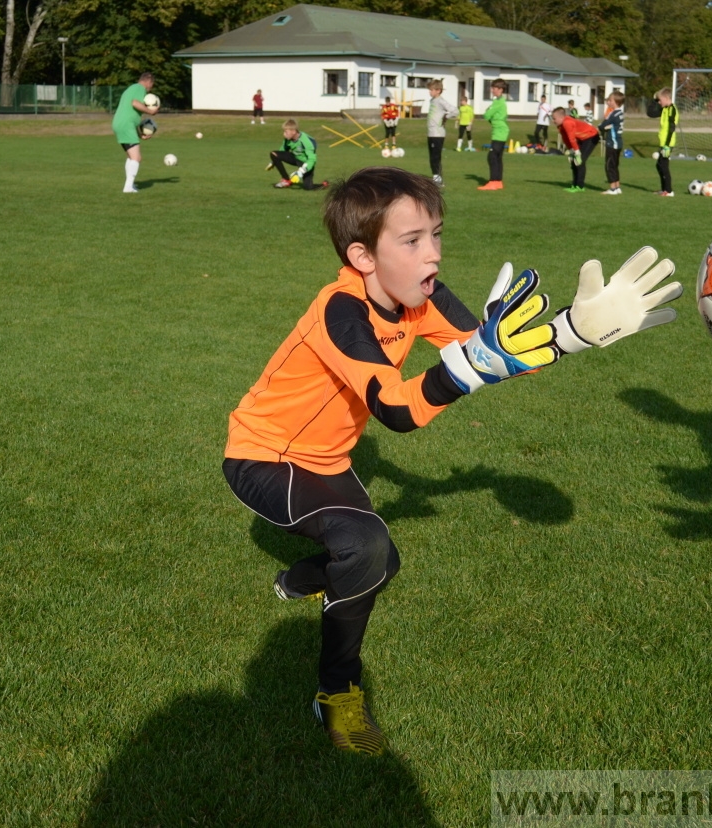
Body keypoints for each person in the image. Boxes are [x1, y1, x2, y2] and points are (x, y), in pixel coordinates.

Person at [222, 165, 682, 756]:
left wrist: (572, 330)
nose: (434, 254)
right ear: (363, 257)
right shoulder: (342, 311)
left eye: (436, 235)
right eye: (412, 241)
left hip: (327, 460)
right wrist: (471, 365)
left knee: (379, 562)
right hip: (264, 454)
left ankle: (295, 581)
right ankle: (337, 692)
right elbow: (395, 408)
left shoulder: (422, 298)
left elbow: (499, 354)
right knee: (365, 547)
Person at [111, 71, 159, 194]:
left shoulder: (131, 88)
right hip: (126, 125)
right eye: (152, 84)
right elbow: (135, 103)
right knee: (136, 158)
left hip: (121, 124)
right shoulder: (139, 88)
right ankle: (128, 187)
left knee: (131, 157)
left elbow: (130, 113)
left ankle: (130, 184)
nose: (151, 87)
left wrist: (139, 134)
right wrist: (150, 111)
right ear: (148, 81)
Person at [552, 106, 600, 193]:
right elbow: (565, 139)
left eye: (554, 118)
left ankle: (580, 186)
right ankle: (574, 184)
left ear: (561, 117)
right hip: (582, 139)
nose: (553, 121)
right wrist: (571, 151)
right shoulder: (560, 125)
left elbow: (572, 138)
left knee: (580, 161)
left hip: (592, 136)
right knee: (574, 161)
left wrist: (577, 152)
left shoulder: (567, 123)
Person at [270, 119, 326, 190]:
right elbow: (282, 151)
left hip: (305, 163)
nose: (284, 134)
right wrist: (274, 161)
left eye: (286, 132)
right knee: (274, 154)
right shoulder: (287, 139)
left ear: (293, 131)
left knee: (308, 187)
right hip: (295, 158)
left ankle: (324, 185)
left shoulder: (305, 141)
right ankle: (286, 180)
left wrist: (301, 171)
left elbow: (312, 159)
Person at [425, 79, 458, 187]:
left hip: (438, 134)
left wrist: (446, 116)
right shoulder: (432, 101)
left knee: (436, 157)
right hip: (431, 133)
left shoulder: (441, 101)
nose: (430, 92)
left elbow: (455, 111)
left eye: (432, 90)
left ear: (438, 90)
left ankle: (438, 180)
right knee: (432, 157)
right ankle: (435, 177)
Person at [477, 79, 508, 191]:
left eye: (494, 88)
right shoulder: (498, 101)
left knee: (492, 156)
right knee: (497, 157)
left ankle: (493, 182)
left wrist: (487, 112)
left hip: (499, 132)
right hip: (500, 131)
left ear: (500, 89)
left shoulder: (498, 102)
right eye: (492, 88)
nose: (492, 90)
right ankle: (498, 182)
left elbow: (487, 115)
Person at [648, 87, 678, 196]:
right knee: (659, 165)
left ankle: (669, 191)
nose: (659, 102)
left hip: (667, 144)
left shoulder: (672, 110)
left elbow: (671, 128)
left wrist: (666, 145)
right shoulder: (665, 108)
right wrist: (655, 99)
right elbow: (650, 113)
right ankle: (664, 189)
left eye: (660, 100)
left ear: (666, 98)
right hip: (663, 143)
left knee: (664, 166)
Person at [600, 91, 625, 195]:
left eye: (610, 100)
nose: (608, 102)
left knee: (609, 166)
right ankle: (617, 187)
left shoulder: (613, 113)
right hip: (618, 143)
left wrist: (601, 127)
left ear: (616, 102)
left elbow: (603, 125)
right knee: (615, 166)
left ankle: (613, 189)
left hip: (612, 143)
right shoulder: (620, 113)